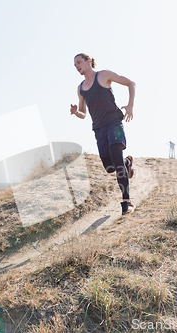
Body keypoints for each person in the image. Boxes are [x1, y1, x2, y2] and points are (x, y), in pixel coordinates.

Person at [70, 53, 136, 215]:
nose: (77, 66)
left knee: (116, 157)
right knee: (109, 167)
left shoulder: (104, 75)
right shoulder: (80, 89)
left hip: (114, 122)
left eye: (79, 62)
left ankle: (126, 203)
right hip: (99, 128)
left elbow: (130, 83)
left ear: (89, 61)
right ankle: (127, 163)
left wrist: (130, 106)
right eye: (75, 65)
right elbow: (83, 113)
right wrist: (75, 112)